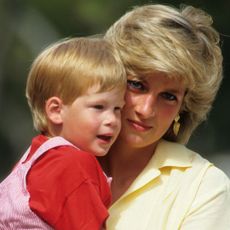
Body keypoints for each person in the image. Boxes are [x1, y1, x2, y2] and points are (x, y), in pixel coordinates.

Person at [100, 4, 230, 229]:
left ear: (184, 107)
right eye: (137, 84)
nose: (146, 109)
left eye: (168, 96)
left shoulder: (204, 188)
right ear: (109, 74)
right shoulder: (57, 155)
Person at [0, 37, 126, 229]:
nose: (112, 120)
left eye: (118, 109)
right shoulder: (72, 164)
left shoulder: (33, 159)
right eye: (99, 107)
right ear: (56, 110)